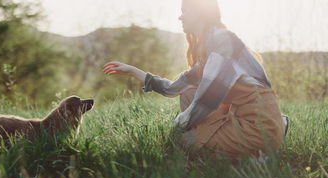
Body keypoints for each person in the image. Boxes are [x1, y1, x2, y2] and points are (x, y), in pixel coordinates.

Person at [102, 0, 289, 159]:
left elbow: (207, 100)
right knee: (187, 94)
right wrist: (133, 71)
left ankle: (257, 155)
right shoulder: (208, 49)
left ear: (200, 13)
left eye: (184, 11)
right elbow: (173, 88)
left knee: (183, 141)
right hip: (244, 118)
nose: (180, 17)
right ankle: (240, 147)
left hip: (258, 127)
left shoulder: (222, 41)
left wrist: (177, 128)